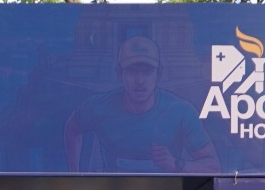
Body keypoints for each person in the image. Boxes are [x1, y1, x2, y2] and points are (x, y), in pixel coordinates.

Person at [63, 35, 220, 173]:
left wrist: (176, 165)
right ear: (119, 73)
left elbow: (213, 166)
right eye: (132, 71)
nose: (140, 80)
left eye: (147, 71)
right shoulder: (98, 106)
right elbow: (72, 127)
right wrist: (74, 173)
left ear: (158, 73)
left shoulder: (181, 111)